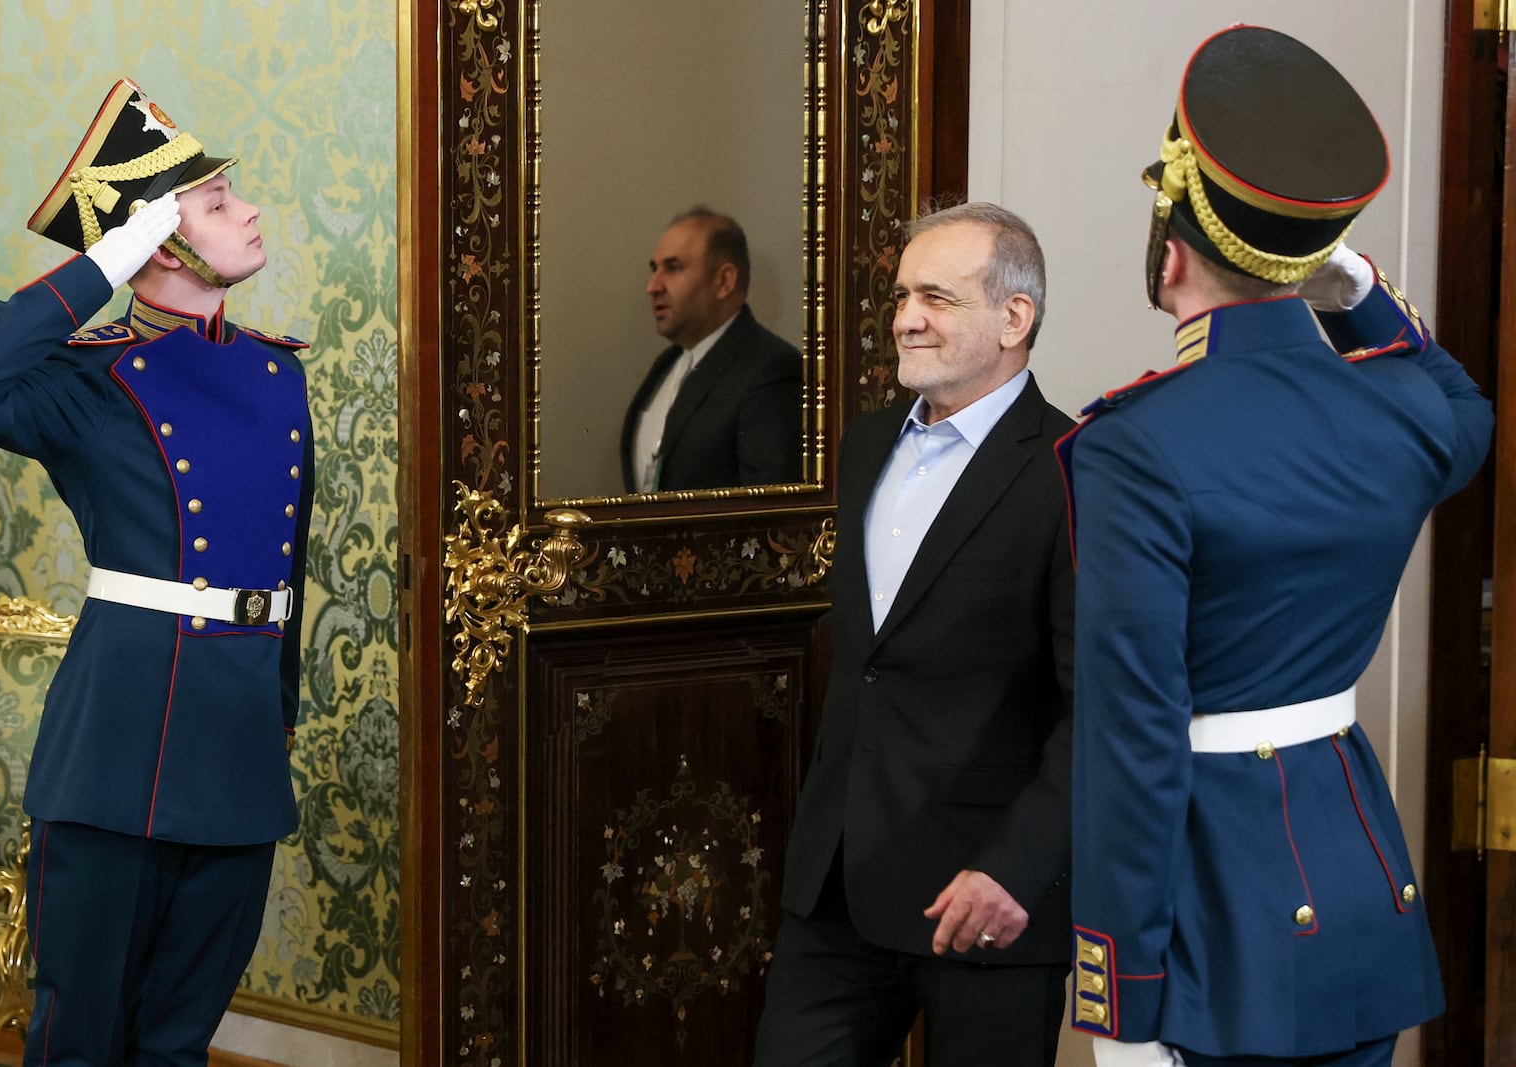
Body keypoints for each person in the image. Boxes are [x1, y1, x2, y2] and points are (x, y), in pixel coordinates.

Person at [1059, 26, 1494, 1067]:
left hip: (1214, 917)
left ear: (1169, 254)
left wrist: (1122, 998)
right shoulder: (1397, 413)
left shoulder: (1133, 445)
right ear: (1308, 257)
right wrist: (1357, 293)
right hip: (1356, 878)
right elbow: (1462, 401)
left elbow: (1132, 740)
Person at [0, 78, 313, 1064]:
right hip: (120, 746)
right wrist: (108, 258)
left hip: (236, 747)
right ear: (161, 243)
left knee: (178, 1040)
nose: (252, 210)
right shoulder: (83, 384)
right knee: (80, 1040)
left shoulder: (279, 372)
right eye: (220, 204)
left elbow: (286, 566)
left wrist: (276, 720)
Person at [753, 201, 1075, 1067]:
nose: (905, 318)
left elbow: (1104, 705)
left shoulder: (1074, 470)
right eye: (901, 295)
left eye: (936, 296)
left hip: (987, 896)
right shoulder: (864, 448)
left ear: (1016, 317)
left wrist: (1018, 867)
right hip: (836, 888)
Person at [620, 208, 804, 492]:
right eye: (654, 269)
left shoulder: (772, 369)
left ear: (724, 281)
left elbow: (769, 507)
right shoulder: (667, 363)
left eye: (673, 268)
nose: (653, 286)